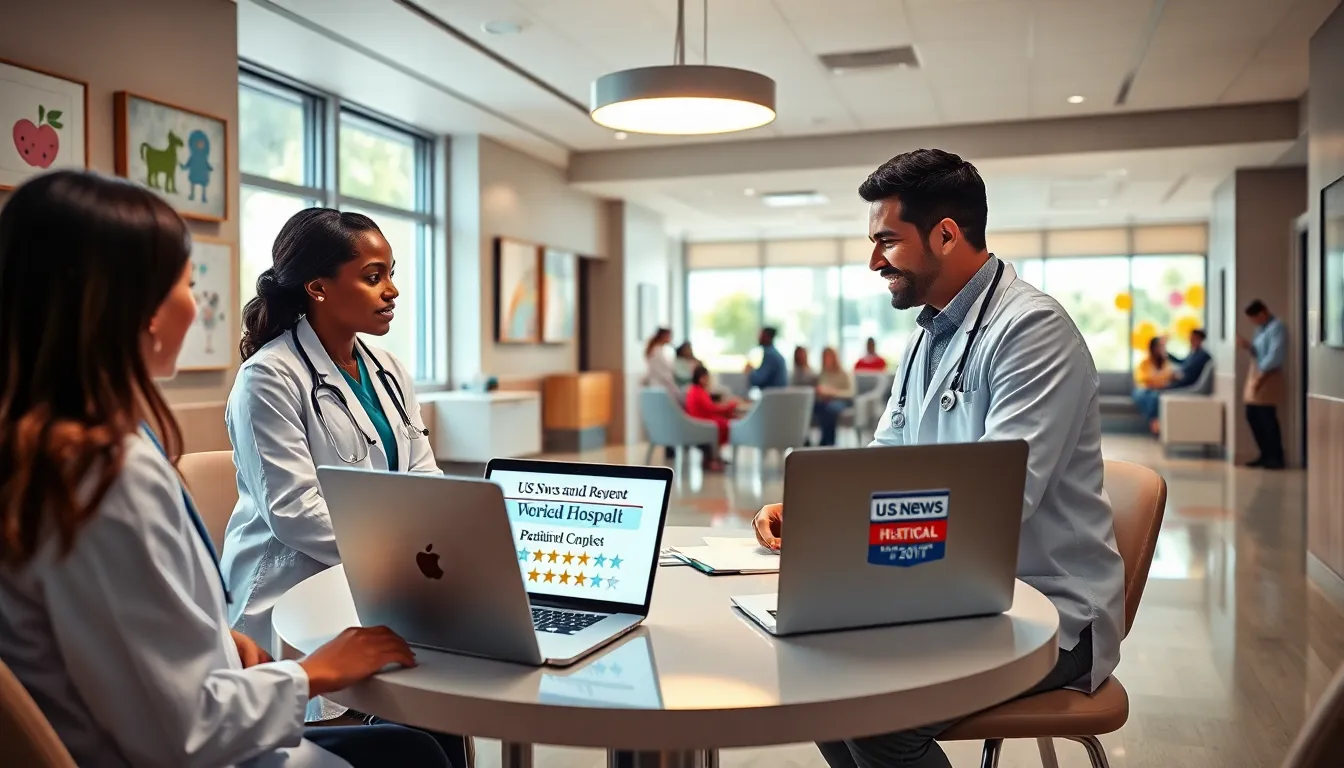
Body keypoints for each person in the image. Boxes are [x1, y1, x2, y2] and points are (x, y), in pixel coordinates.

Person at [0, 170, 456, 767]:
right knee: (416, 751)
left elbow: (124, 632)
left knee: (417, 739)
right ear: (128, 306)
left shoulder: (53, 447)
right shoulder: (107, 475)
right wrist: (310, 674)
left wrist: (220, 640)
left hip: (199, 695)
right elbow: (183, 726)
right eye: (186, 284)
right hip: (218, 715)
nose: (197, 304)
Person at [751, 149, 1124, 768]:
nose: (874, 261)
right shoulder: (929, 333)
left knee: (879, 721)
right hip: (945, 594)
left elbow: (999, 506)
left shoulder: (1032, 331)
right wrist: (817, 513)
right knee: (818, 683)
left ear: (946, 235)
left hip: (1046, 610)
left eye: (887, 242)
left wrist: (853, 534)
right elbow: (887, 456)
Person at [221, 209, 462, 749]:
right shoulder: (268, 377)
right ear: (318, 288)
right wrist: (403, 563)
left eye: (391, 273)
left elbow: (422, 471)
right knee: (408, 731)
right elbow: (296, 513)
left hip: (383, 580)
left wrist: (449, 542)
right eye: (374, 276)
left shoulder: (388, 368)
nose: (392, 291)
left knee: (445, 705)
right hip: (291, 594)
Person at [1238, 299, 1286, 469]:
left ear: (1264, 312)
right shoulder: (1260, 330)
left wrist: (1261, 375)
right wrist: (1247, 346)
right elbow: (1258, 351)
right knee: (1253, 415)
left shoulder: (1277, 327)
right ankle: (1264, 454)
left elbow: (1275, 354)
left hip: (1269, 375)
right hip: (1257, 373)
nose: (1255, 322)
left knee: (1267, 417)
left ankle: (1275, 456)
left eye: (1256, 318)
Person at [683, 365, 741, 471]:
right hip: (701, 422)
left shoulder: (695, 390)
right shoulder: (697, 392)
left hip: (699, 420)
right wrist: (730, 406)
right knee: (723, 424)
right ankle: (713, 458)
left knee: (724, 422)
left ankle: (715, 456)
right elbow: (711, 408)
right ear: (701, 378)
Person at [1133, 336, 1176, 435]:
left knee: (1154, 396)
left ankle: (1153, 421)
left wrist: (1156, 380)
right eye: (1159, 346)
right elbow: (1143, 379)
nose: (1162, 349)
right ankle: (1154, 421)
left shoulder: (1166, 362)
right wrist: (1158, 380)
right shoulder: (1144, 363)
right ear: (1153, 348)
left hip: (1155, 391)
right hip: (1142, 390)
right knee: (1146, 395)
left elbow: (1168, 377)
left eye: (1163, 347)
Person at [814, 347, 856, 446]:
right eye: (825, 357)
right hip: (825, 401)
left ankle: (828, 441)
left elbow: (850, 393)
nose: (827, 360)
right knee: (817, 407)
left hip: (841, 401)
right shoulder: (823, 374)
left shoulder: (844, 373)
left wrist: (833, 392)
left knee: (830, 409)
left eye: (829, 357)